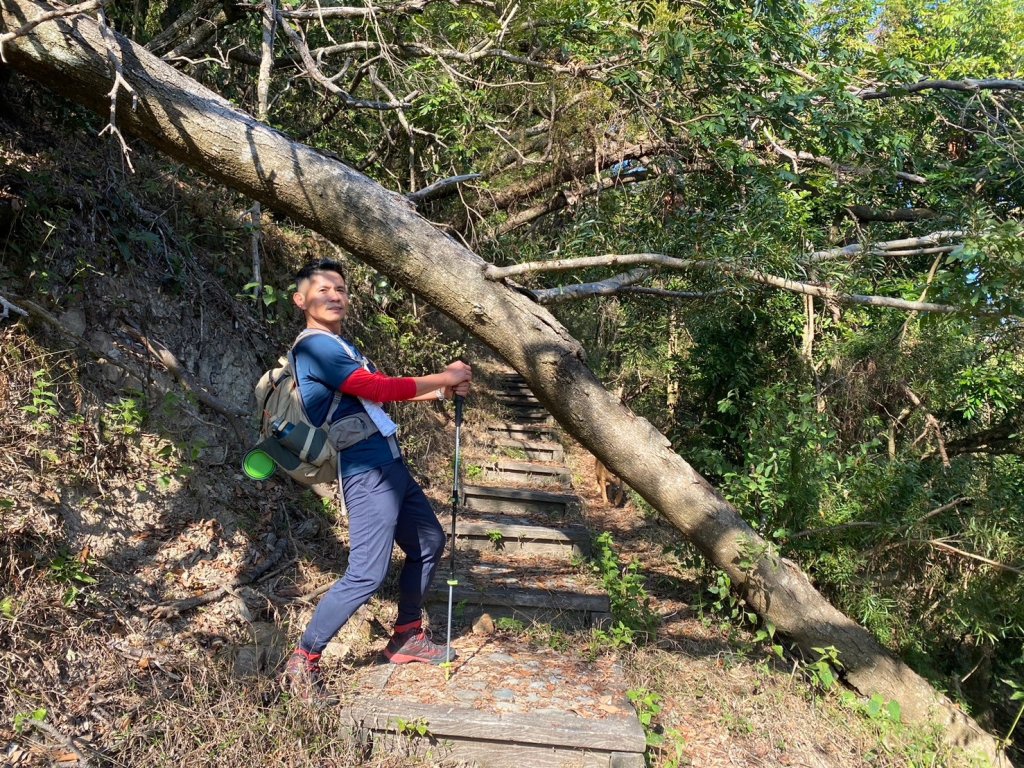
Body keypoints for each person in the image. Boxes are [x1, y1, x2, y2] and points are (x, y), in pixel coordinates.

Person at [281, 259, 472, 699]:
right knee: (366, 573)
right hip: (366, 471)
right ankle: (303, 659)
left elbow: (374, 399)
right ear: (300, 299)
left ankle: (406, 634)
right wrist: (444, 376)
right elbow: (379, 389)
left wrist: (442, 390)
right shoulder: (315, 347)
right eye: (324, 288)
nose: (334, 295)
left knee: (427, 542)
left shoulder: (341, 346)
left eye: (341, 289)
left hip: (390, 465)